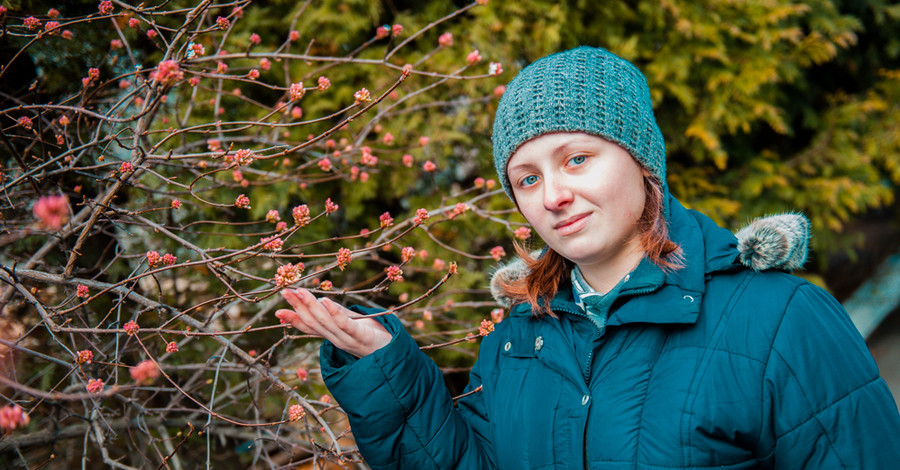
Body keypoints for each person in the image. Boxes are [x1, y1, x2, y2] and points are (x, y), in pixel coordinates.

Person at [275, 46, 900, 469]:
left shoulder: (783, 320)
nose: (554, 195)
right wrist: (387, 369)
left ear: (641, 161)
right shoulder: (520, 337)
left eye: (577, 159)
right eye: (526, 178)